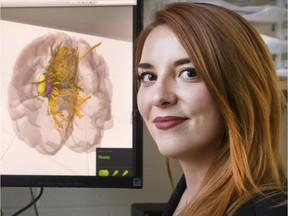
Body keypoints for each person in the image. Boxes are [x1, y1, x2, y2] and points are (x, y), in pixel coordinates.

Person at [134, 2, 287, 216]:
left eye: (188, 73)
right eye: (149, 77)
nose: (159, 97)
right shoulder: (187, 195)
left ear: (241, 89)